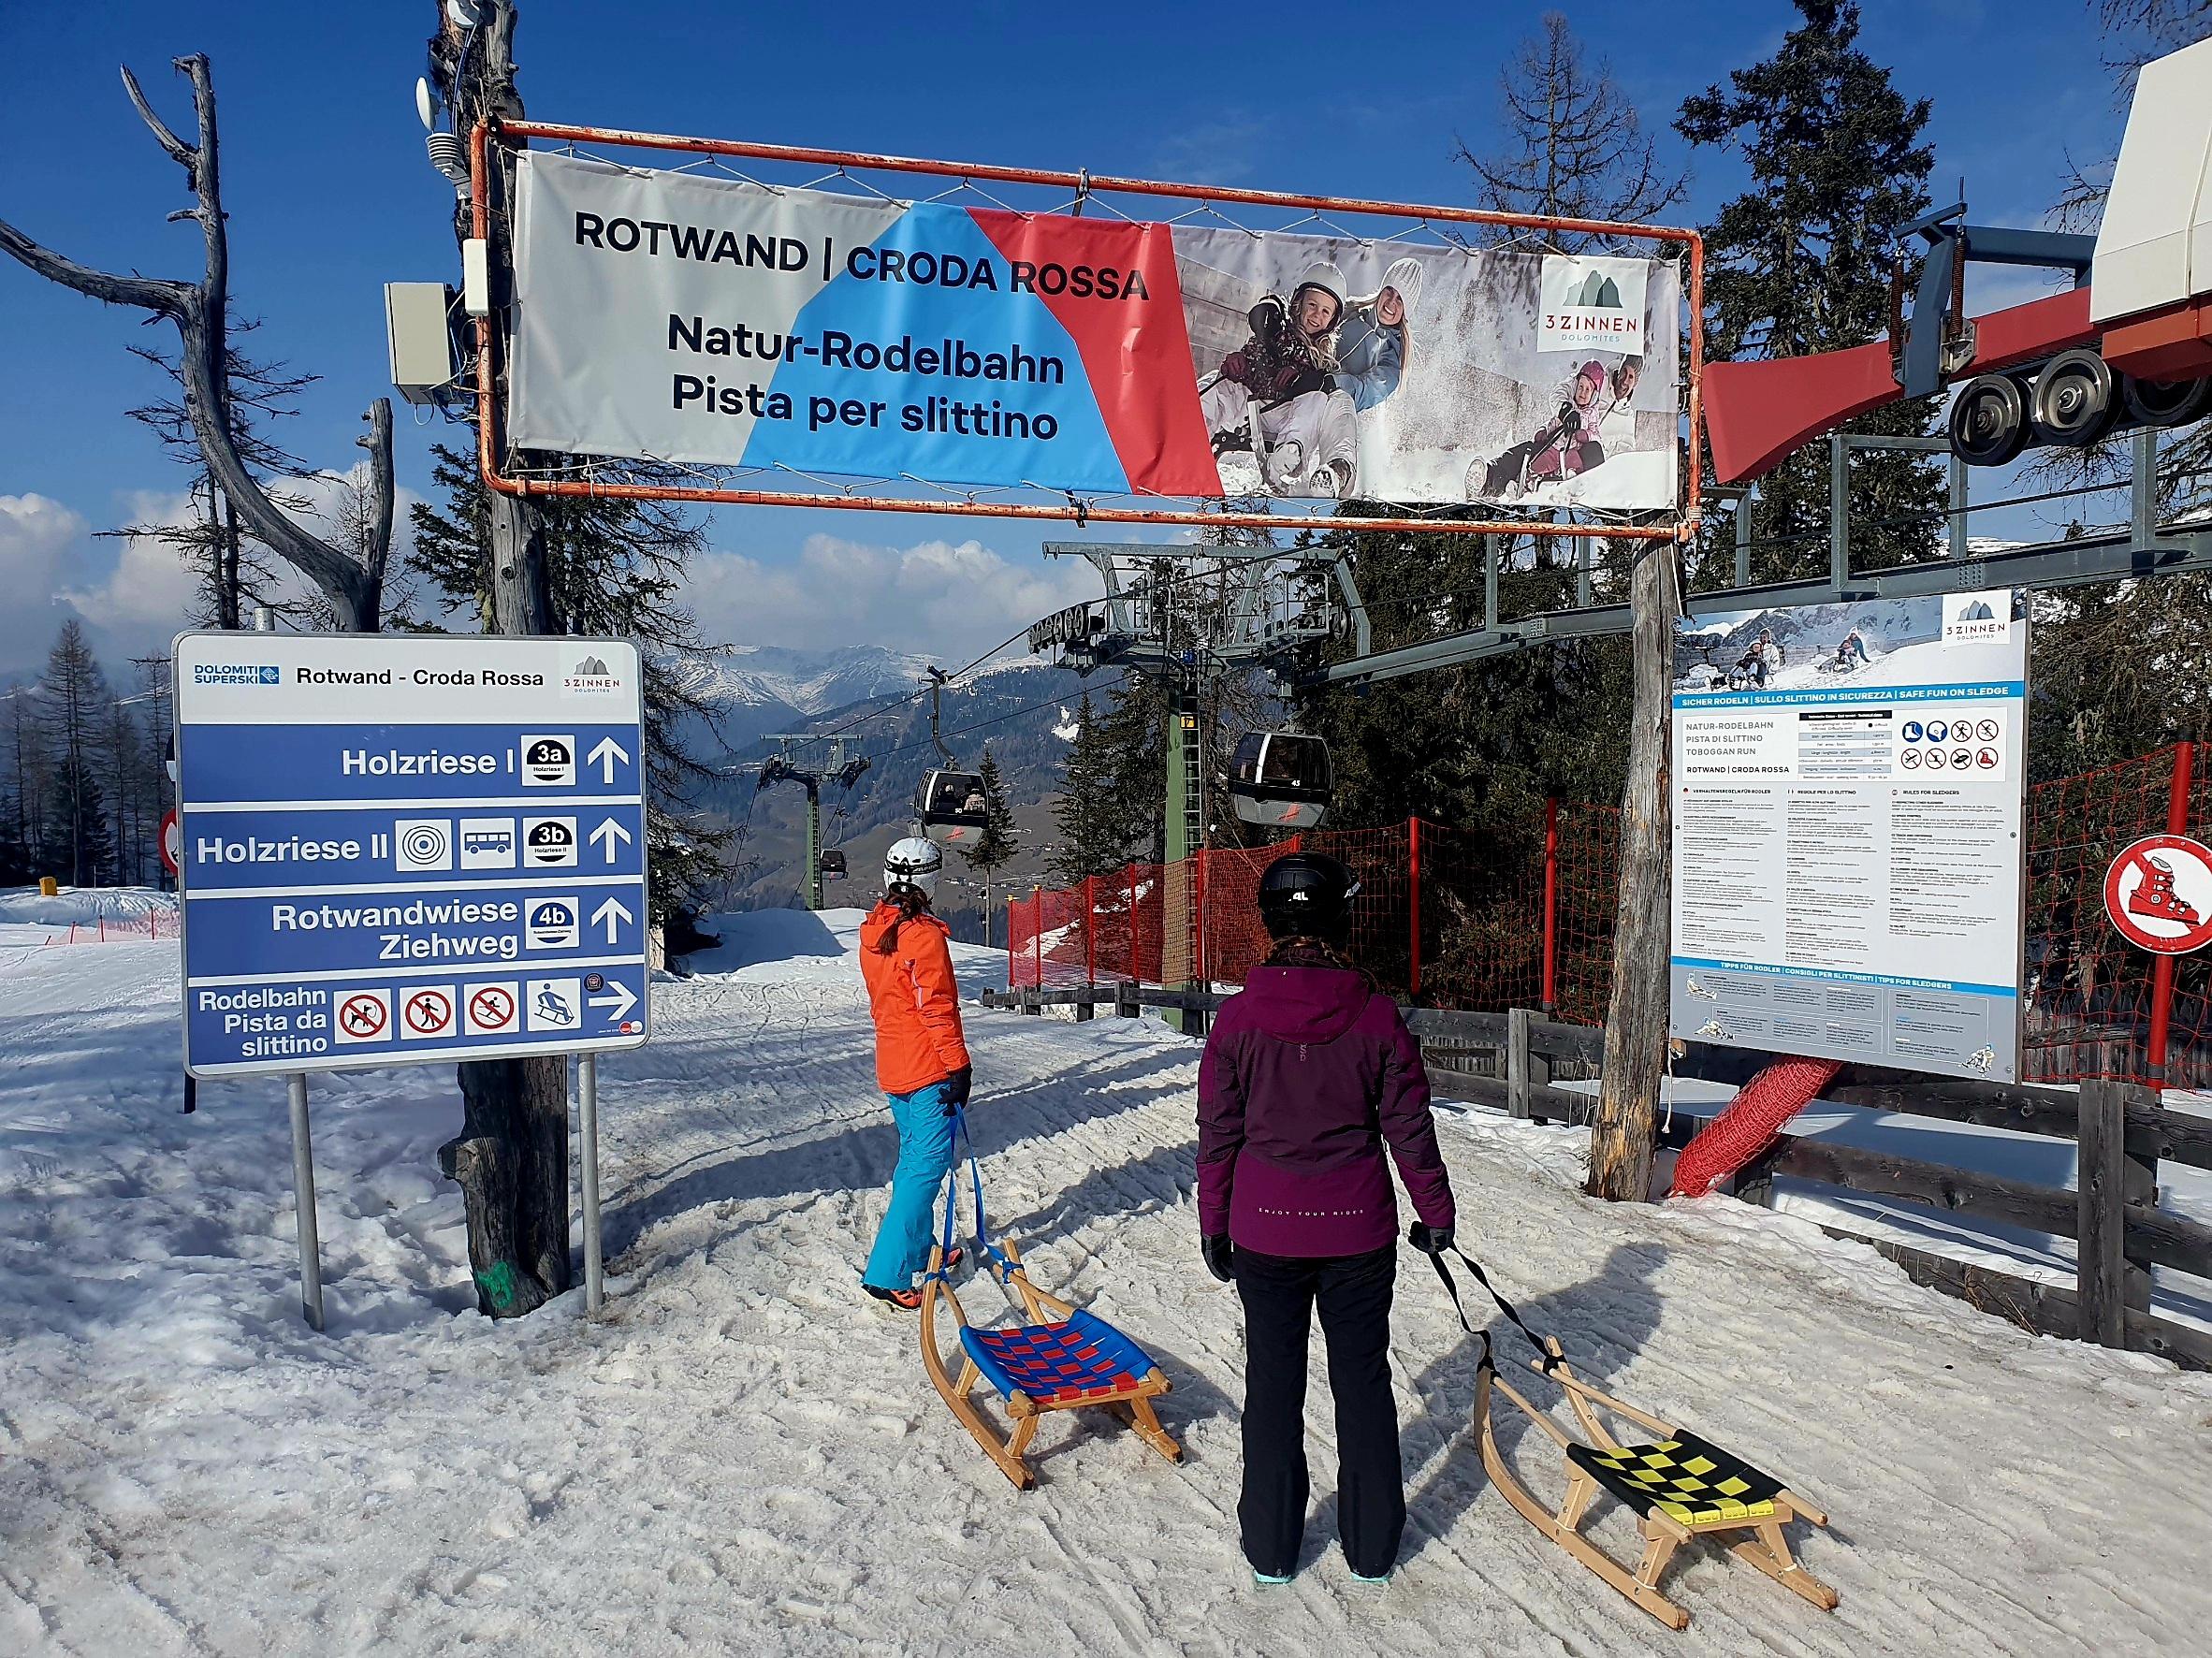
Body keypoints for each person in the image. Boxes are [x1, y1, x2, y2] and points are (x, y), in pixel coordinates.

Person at [1196, 852, 1458, 1587]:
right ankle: (1372, 1549)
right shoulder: (1375, 1015)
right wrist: (1435, 1212)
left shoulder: (1239, 1019)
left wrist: (1214, 1221)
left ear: (1272, 924)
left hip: (1265, 1230)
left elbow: (1219, 1132)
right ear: (1339, 921)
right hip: (1357, 1233)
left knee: (1272, 1386)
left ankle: (1272, 1548)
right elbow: (1410, 1127)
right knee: (1363, 1384)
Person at [857, 836, 973, 1310]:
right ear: (932, 880)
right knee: (926, 1167)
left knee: (913, 1159)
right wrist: (958, 1064)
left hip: (894, 1062)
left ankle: (918, 1248)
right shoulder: (922, 938)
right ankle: (888, 1273)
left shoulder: (873, 932)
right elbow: (936, 1009)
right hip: (927, 1065)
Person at [1199, 261, 1356, 498]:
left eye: (1325, 311)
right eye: (1312, 305)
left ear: (1332, 320)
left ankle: (1312, 460)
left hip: (1291, 421)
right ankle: (1188, 427)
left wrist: (1305, 380)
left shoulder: (1325, 357)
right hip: (1252, 407)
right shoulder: (1278, 327)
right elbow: (1266, 317)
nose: (1316, 315)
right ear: (1299, 303)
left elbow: (1321, 396)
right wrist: (1240, 363)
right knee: (1219, 382)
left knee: (1322, 397)